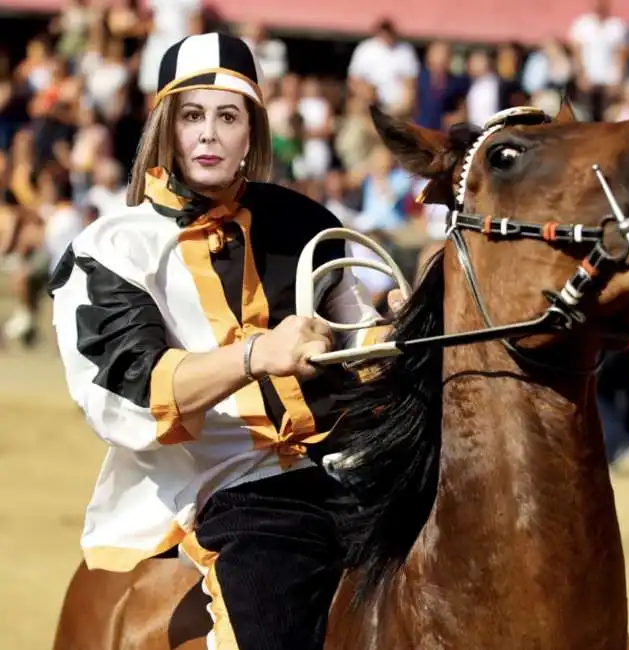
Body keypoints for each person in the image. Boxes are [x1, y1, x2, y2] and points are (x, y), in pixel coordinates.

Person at [48, 33, 402, 649]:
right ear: (166, 128)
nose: (209, 134)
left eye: (227, 116)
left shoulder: (306, 222)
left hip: (345, 465)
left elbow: (360, 340)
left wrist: (407, 329)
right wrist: (253, 356)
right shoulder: (109, 249)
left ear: (251, 134)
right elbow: (134, 398)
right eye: (192, 116)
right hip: (228, 484)